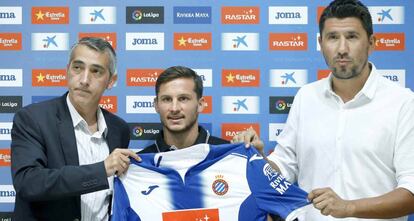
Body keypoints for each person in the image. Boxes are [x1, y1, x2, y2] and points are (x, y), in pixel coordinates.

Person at [236, 0, 414, 220]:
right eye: (332, 38)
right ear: (320, 43)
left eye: (351, 37)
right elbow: (283, 169)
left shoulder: (403, 103)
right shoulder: (306, 97)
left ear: (371, 43)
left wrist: (349, 207)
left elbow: (411, 193)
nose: (341, 49)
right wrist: (257, 157)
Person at [11, 37, 140, 221]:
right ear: (67, 71)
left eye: (96, 71)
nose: (84, 80)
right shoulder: (33, 119)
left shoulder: (119, 128)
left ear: (111, 81)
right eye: (78, 68)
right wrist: (101, 171)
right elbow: (28, 182)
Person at [139, 66, 281, 221]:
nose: (174, 108)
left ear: (200, 104)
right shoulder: (138, 164)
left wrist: (259, 161)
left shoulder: (232, 156)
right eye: (167, 99)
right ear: (156, 105)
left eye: (183, 99)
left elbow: (275, 206)